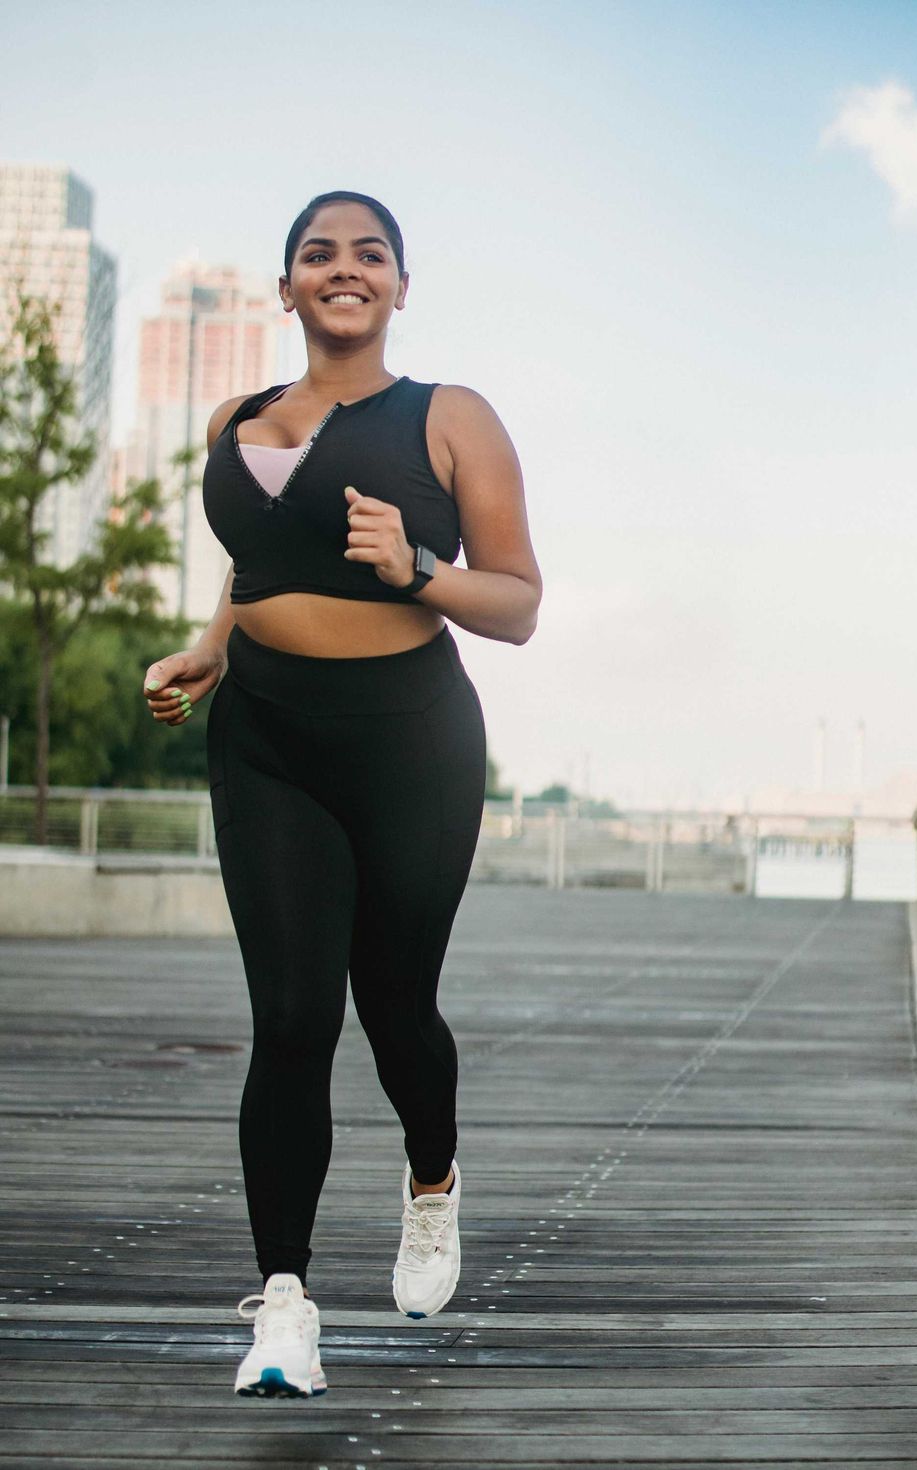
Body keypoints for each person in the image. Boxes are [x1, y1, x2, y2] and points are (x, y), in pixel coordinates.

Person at [142, 191, 542, 1399]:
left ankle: (431, 1181)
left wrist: (416, 567)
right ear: (287, 290)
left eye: (370, 253)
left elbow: (517, 602)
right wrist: (211, 648)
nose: (344, 268)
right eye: (318, 253)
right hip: (266, 738)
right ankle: (283, 1306)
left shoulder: (449, 417)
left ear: (399, 290)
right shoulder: (238, 417)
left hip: (409, 742)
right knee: (293, 1017)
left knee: (395, 1005)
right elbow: (253, 565)